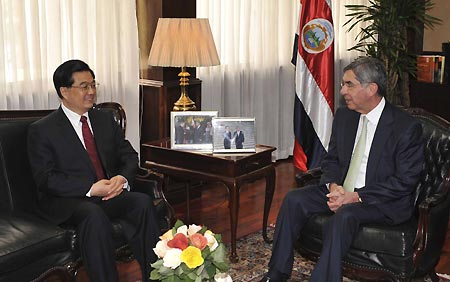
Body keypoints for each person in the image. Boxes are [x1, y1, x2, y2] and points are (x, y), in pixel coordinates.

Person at [261, 57, 425, 282]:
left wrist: (355, 197)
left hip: (381, 200)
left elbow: (405, 181)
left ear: (371, 89)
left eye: (349, 84)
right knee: (294, 199)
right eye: (342, 84)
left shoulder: (405, 127)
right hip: (344, 188)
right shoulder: (345, 116)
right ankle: (276, 274)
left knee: (346, 214)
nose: (342, 90)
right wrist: (334, 186)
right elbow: (332, 160)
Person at [27, 59, 160, 282]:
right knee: (92, 214)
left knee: (141, 202)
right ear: (64, 91)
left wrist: (122, 178)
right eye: (84, 86)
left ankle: (157, 277)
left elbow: (129, 156)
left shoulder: (104, 119)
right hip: (68, 201)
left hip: (107, 194)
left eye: (93, 85)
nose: (91, 92)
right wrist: (90, 189)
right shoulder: (42, 130)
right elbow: (46, 179)